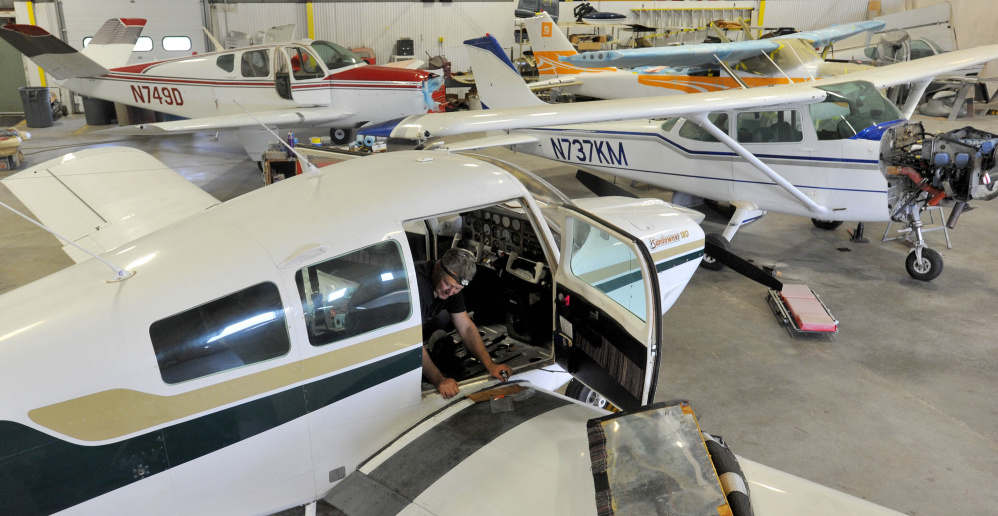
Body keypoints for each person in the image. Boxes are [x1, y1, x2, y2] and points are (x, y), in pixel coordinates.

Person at [416, 248, 512, 398]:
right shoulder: (418, 288)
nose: (451, 292)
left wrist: (491, 365)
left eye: (457, 289)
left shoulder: (452, 286)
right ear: (437, 267)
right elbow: (411, 343)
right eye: (447, 285)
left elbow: (466, 327)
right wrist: (439, 380)